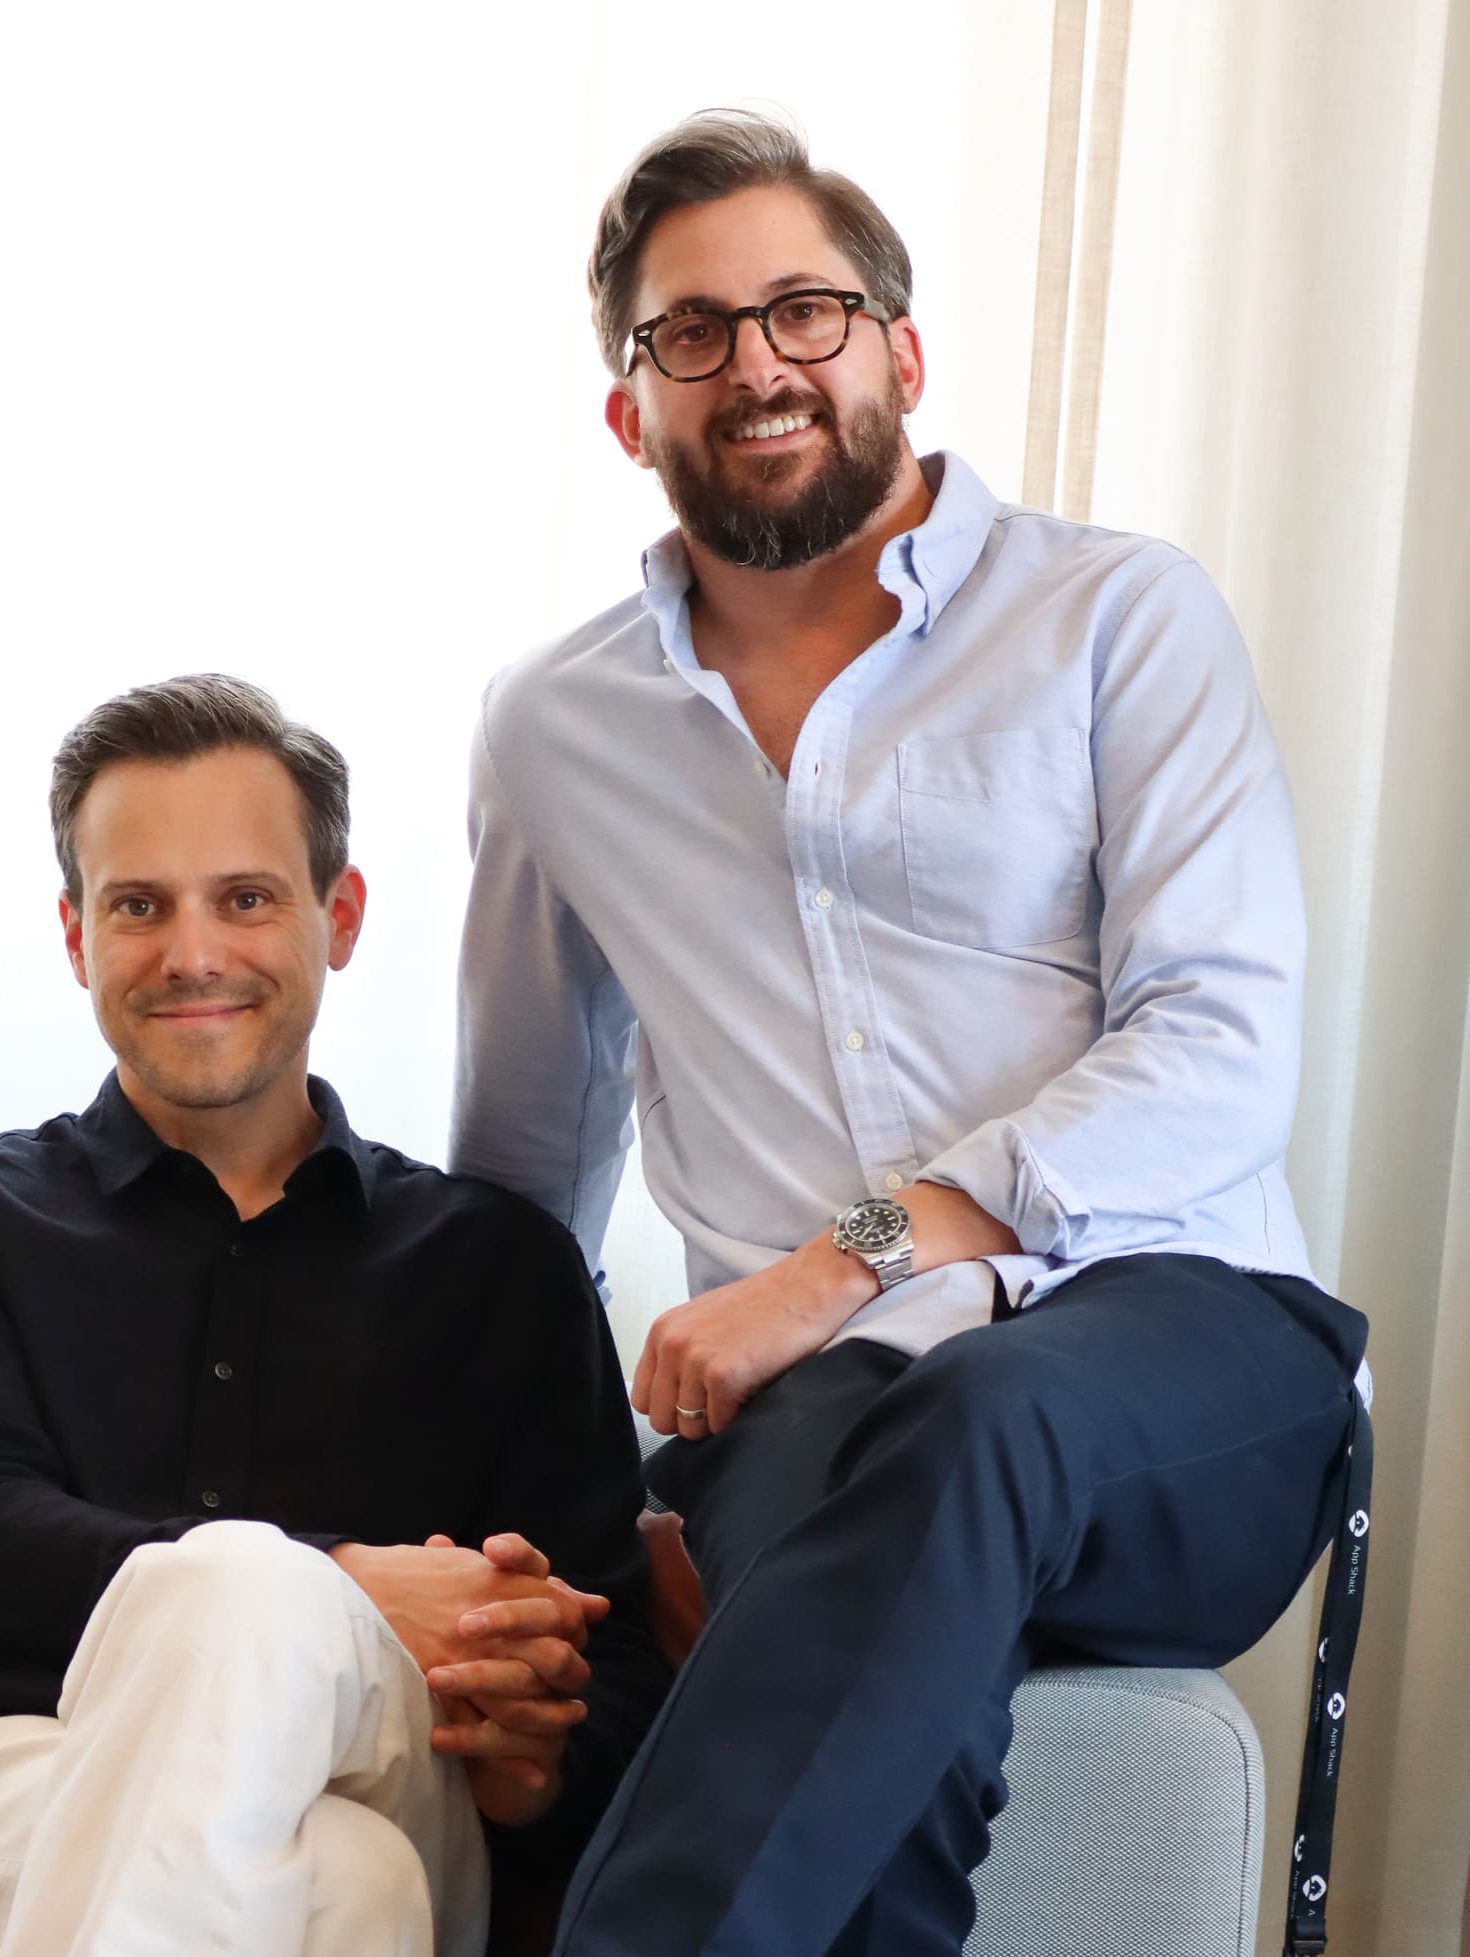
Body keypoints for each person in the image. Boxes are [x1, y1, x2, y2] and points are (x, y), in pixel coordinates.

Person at [450, 108, 1371, 1955]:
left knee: (973, 1420)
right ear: (627, 411)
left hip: (1176, 1346)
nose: (757, 362)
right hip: (820, 1417)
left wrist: (839, 1262)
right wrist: (571, 1511)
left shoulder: (1119, 620)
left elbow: (1216, 1045)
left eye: (805, 308)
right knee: (863, 1616)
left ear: (898, 349)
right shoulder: (556, 731)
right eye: (688, 332)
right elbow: (523, 1178)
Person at [0, 675, 667, 1957]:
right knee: (346, 1877)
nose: (192, 952)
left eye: (244, 898)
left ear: (337, 915)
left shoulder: (500, 1267)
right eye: (139, 906)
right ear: (77, 936)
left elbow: (611, 1665)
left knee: (275, 1658)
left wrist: (532, 1758)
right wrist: (339, 1585)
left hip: (382, 1773)